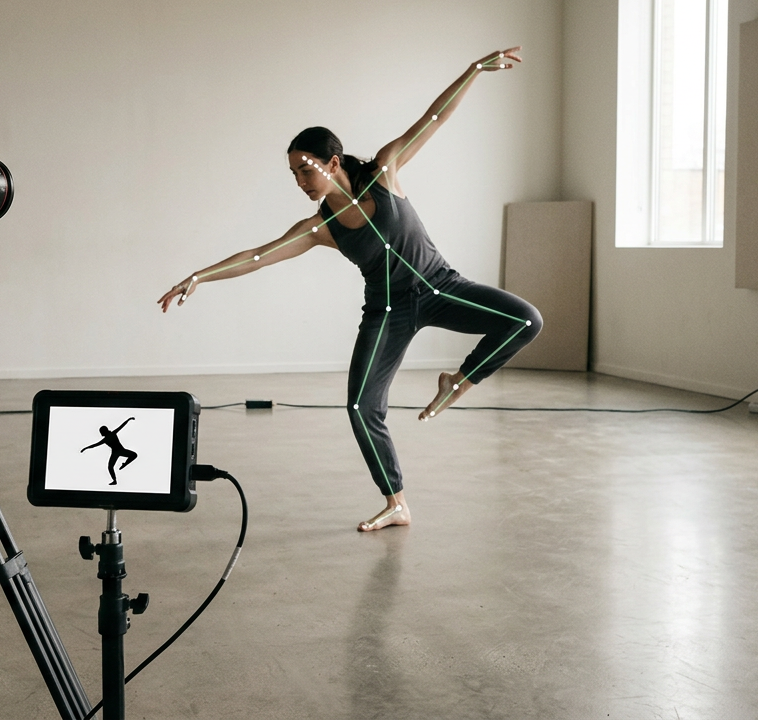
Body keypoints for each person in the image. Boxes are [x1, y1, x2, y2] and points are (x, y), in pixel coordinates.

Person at [157, 49, 542, 532]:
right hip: (387, 311)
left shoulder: (384, 173)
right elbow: (257, 256)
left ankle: (459, 382)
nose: (299, 180)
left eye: (304, 169)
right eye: (293, 173)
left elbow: (434, 118)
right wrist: (197, 277)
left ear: (332, 161)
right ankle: (396, 502)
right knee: (362, 406)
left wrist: (474, 71)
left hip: (441, 287)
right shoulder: (321, 226)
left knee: (526, 320)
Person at [80, 417, 139, 485]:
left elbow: (121, 426)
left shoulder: (109, 436)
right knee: (111, 466)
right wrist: (85, 448)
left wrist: (128, 420)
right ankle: (115, 480)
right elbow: (95, 445)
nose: (101, 434)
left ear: (104, 431)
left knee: (111, 466)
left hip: (118, 451)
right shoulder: (110, 436)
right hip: (117, 452)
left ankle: (121, 469)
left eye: (101, 432)